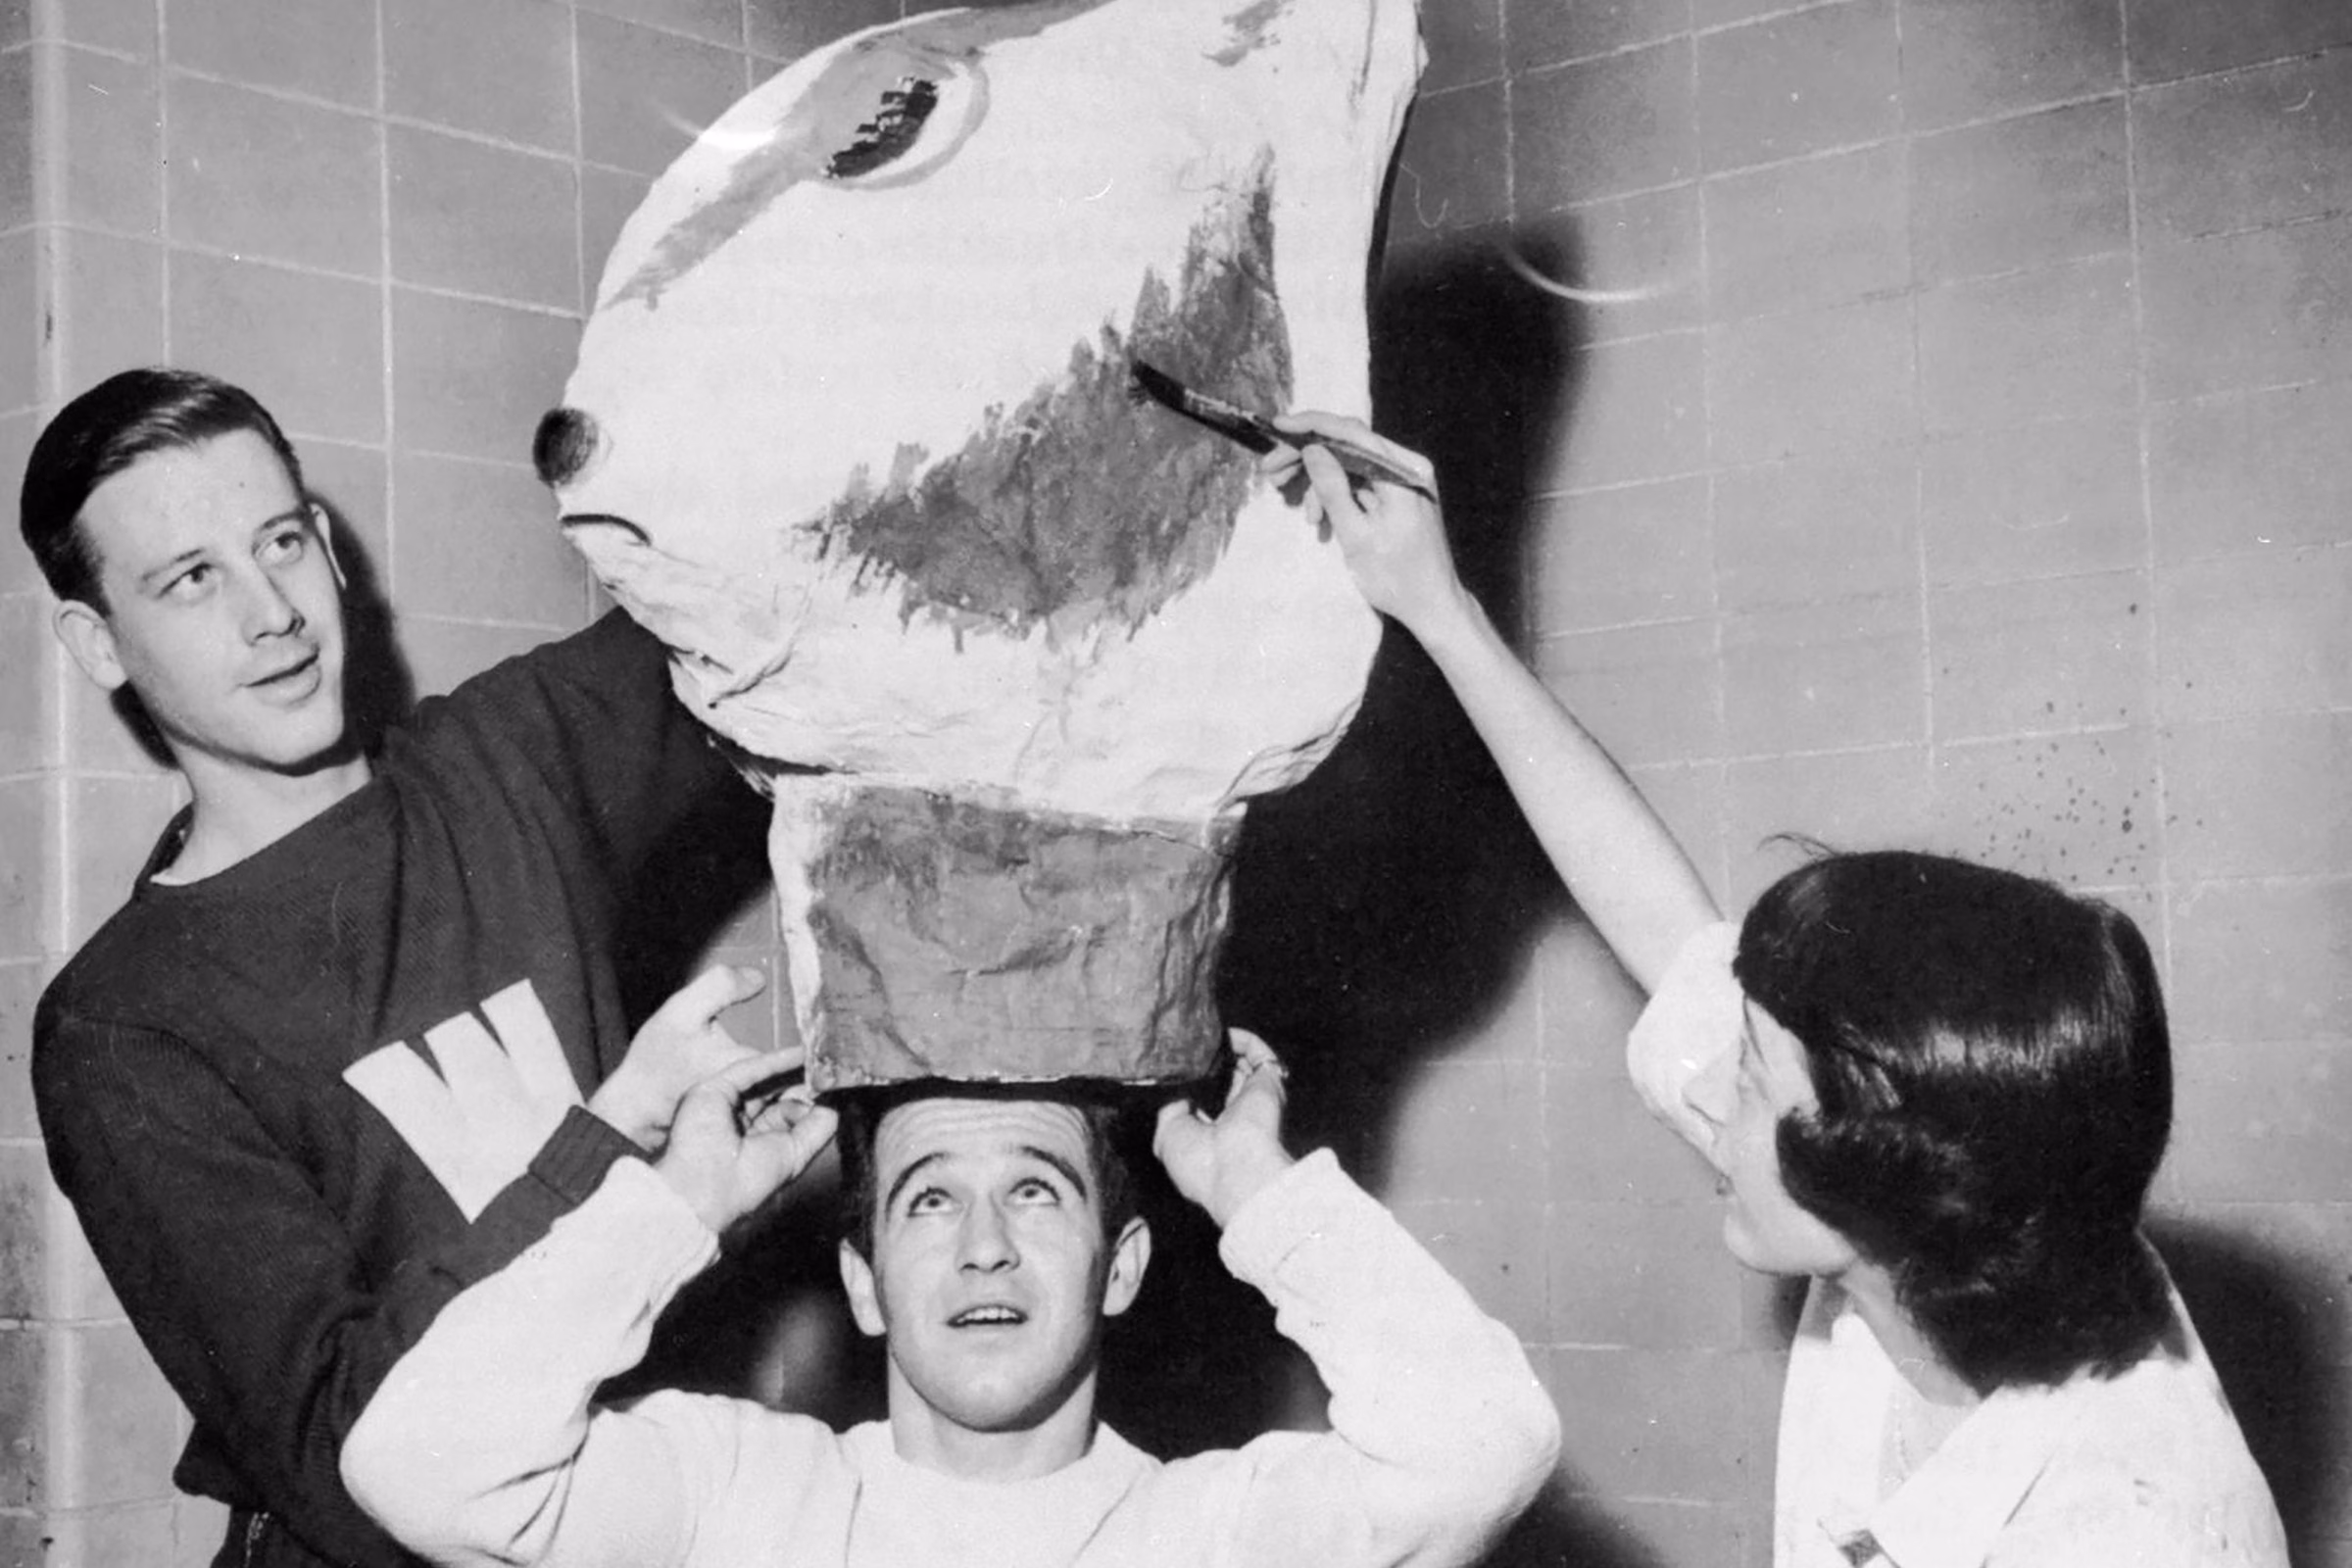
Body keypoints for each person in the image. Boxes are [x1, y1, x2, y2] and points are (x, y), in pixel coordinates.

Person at [1263, 414, 2289, 1566]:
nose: (1710, 1091)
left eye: (1749, 1078)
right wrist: (1440, 604)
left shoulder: (2127, 1529)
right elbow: (1667, 932)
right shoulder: (1959, 1216)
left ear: (1879, 1174)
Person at [23, 368, 776, 1568]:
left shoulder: (508, 761)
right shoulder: (126, 1025)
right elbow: (347, 1457)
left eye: (280, 542)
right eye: (192, 578)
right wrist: (615, 1164)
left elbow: (770, 588)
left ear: (327, 546)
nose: (271, 613)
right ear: (99, 643)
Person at [337, 1031, 1562, 1567]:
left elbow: (1486, 1444)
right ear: (863, 1282)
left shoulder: (1213, 1533)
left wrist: (1259, 1188)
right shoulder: (740, 1498)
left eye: (1035, 1191)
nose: (984, 1246)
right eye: (929, 1199)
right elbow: (418, 1465)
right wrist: (677, 1205)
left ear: (1121, 1264)